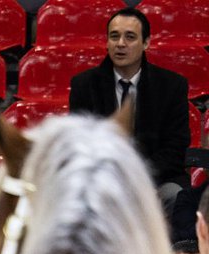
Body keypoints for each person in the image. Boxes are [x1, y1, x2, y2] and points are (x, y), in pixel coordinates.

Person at [69, 7, 189, 207]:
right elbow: (80, 143)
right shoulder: (84, 84)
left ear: (146, 43)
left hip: (156, 178)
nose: (120, 44)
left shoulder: (171, 85)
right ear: (107, 42)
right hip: (101, 179)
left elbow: (175, 147)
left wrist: (139, 179)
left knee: (174, 194)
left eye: (130, 37)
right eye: (114, 36)